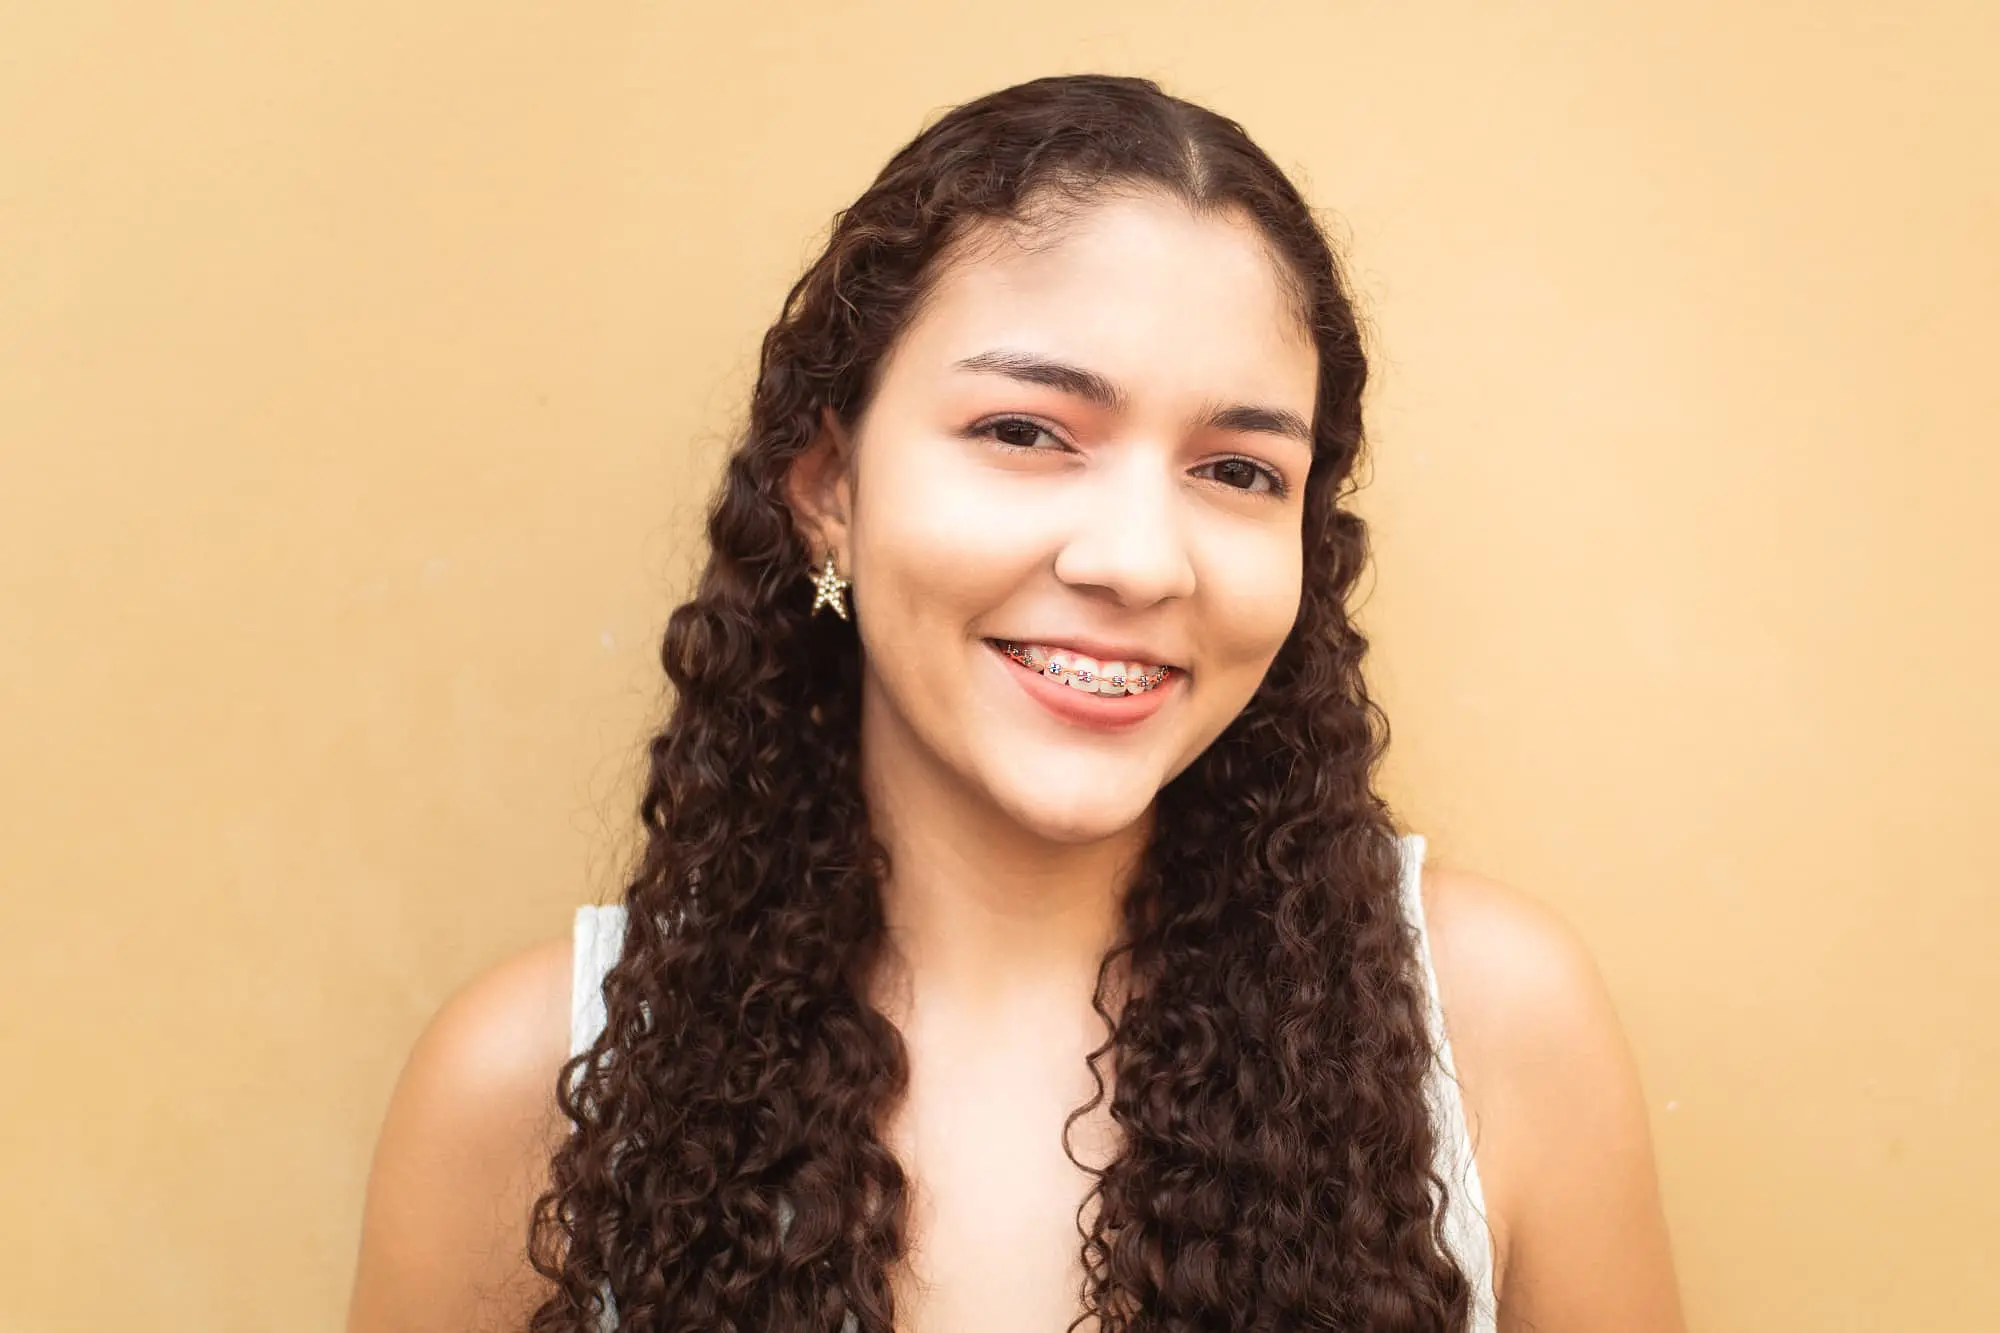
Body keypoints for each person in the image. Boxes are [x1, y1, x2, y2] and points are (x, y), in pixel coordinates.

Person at [344, 73, 1684, 1333]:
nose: (1140, 560)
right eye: (1025, 433)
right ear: (829, 490)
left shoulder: (1499, 1035)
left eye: (1238, 470)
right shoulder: (528, 1094)